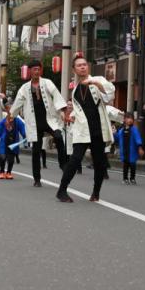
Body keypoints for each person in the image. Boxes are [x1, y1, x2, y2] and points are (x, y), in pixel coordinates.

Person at [56, 54, 114, 204]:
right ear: (74, 70)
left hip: (98, 129)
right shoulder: (75, 90)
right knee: (75, 160)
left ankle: (96, 192)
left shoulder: (98, 80)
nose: (82, 67)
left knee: (100, 163)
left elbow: (109, 96)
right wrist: (72, 115)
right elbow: (79, 109)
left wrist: (94, 82)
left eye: (84, 64)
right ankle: (62, 190)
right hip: (83, 131)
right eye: (79, 65)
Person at [9, 59, 68, 187]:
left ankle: (63, 163)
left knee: (58, 136)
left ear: (40, 70)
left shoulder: (47, 83)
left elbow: (56, 95)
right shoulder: (24, 88)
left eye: (38, 69)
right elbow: (17, 104)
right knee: (36, 150)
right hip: (34, 122)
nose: (36, 71)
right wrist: (11, 117)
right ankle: (37, 179)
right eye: (34, 69)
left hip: (49, 119)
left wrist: (64, 111)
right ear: (30, 71)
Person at [0, 112, 26, 179]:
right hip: (4, 142)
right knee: (2, 157)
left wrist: (25, 135)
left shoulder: (17, 121)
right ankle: (2, 171)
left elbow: (23, 129)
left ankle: (9, 172)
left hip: (13, 142)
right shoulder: (3, 121)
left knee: (11, 159)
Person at [114, 113, 144, 184]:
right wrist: (114, 134)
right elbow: (117, 137)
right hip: (124, 151)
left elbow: (138, 139)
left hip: (132, 151)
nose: (130, 120)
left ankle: (132, 178)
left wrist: (140, 148)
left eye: (131, 118)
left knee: (133, 165)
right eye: (128, 118)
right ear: (124, 120)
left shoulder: (134, 129)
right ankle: (125, 178)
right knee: (125, 166)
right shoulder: (121, 130)